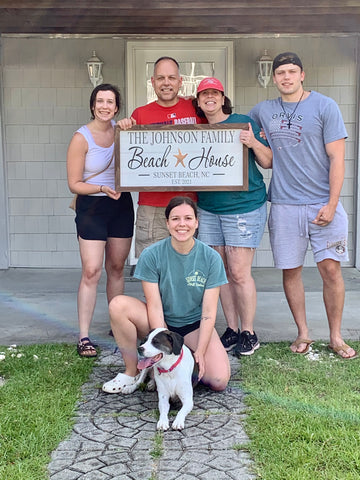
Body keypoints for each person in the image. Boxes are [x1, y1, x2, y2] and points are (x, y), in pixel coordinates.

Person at [249, 52, 357, 359]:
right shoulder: (262, 111)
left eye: (292, 71)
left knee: (331, 270)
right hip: (284, 204)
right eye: (280, 72)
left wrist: (333, 203)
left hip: (323, 203)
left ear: (302, 74)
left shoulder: (325, 106)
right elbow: (232, 126)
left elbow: (338, 158)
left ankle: (336, 337)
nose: (286, 77)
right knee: (290, 270)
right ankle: (303, 332)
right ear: (273, 78)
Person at [102, 196, 231, 394]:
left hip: (193, 326)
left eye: (188, 218)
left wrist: (202, 352)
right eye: (175, 219)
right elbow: (154, 305)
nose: (182, 224)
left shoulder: (211, 258)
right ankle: (132, 372)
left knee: (218, 379)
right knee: (118, 305)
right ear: (167, 223)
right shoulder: (152, 254)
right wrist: (159, 351)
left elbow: (208, 312)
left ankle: (182, 360)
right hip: (161, 321)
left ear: (197, 222)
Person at [192, 77, 272, 357]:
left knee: (239, 272)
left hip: (244, 206)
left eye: (214, 93)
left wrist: (253, 142)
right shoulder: (196, 131)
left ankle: (249, 332)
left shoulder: (243, 122)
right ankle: (232, 329)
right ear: (199, 101)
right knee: (221, 272)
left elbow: (268, 160)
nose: (209, 98)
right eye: (204, 95)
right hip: (209, 208)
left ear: (222, 97)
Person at [67, 83, 134, 357]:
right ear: (93, 105)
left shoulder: (123, 130)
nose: (105, 106)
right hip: (92, 206)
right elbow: (74, 184)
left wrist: (131, 126)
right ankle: (84, 335)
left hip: (121, 205)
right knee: (92, 271)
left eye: (110, 102)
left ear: (117, 107)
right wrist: (102, 189)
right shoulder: (81, 138)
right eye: (100, 101)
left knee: (116, 268)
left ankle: (115, 325)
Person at [117, 56, 205, 258]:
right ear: (153, 81)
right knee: (152, 268)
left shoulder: (195, 109)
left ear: (180, 81)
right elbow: (128, 156)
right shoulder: (140, 114)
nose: (166, 83)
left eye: (171, 77)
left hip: (188, 203)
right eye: (161, 78)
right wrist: (124, 130)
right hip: (152, 206)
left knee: (188, 266)